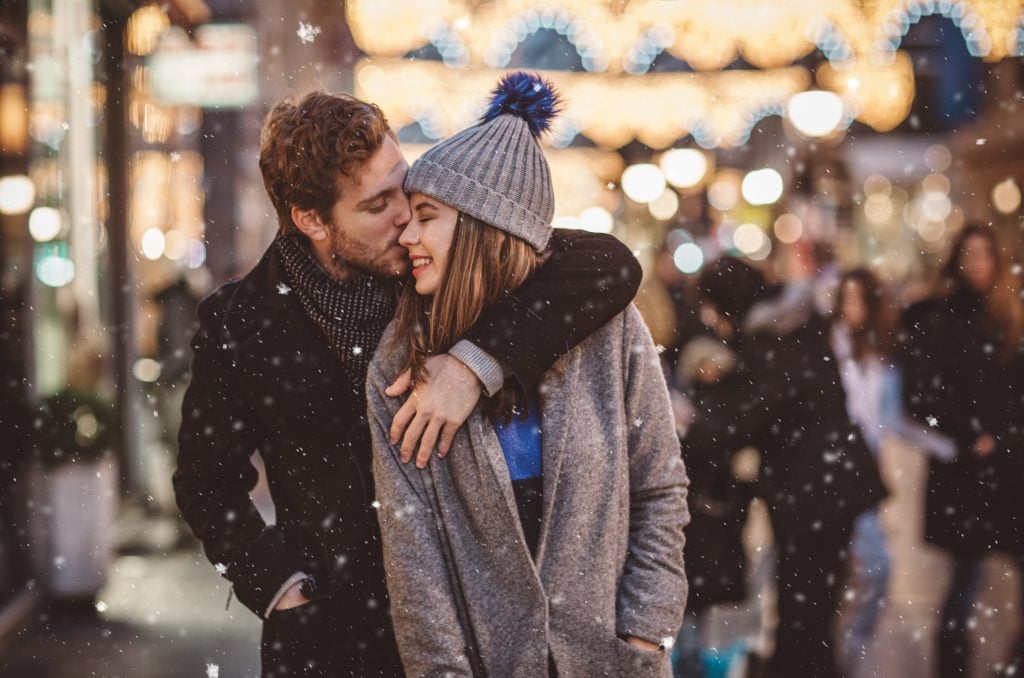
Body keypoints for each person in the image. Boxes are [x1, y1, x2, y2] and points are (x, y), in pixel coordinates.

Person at [173, 89, 643, 677]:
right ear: (311, 219)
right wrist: (282, 590)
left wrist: (476, 362)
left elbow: (609, 264)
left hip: (466, 624)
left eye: (403, 185)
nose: (405, 216)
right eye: (377, 205)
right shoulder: (241, 324)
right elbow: (205, 483)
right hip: (335, 637)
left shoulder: (435, 267)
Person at [366, 72, 689, 678]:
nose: (405, 235)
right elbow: (415, 562)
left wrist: (645, 637)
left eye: (426, 216)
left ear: (487, 228)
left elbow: (658, 488)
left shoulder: (607, 333)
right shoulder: (399, 363)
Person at [683, 256, 887, 678]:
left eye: (712, 308)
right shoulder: (797, 325)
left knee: (803, 607)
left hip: (815, 490)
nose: (711, 320)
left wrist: (691, 427)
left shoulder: (772, 341)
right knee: (812, 603)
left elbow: (747, 418)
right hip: (828, 482)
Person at [900, 223, 1024, 678]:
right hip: (966, 472)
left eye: (985, 254)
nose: (978, 264)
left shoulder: (1009, 317)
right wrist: (970, 434)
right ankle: (952, 666)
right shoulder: (938, 319)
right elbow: (921, 395)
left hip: (1009, 467)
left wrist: (1003, 435)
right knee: (964, 579)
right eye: (969, 254)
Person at [828, 268, 954, 677]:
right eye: (846, 299)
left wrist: (946, 446)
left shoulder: (882, 358)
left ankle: (850, 652)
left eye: (860, 299)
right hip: (829, 475)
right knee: (830, 576)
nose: (852, 309)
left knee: (877, 572)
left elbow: (893, 418)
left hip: (866, 478)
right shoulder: (828, 349)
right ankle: (826, 653)